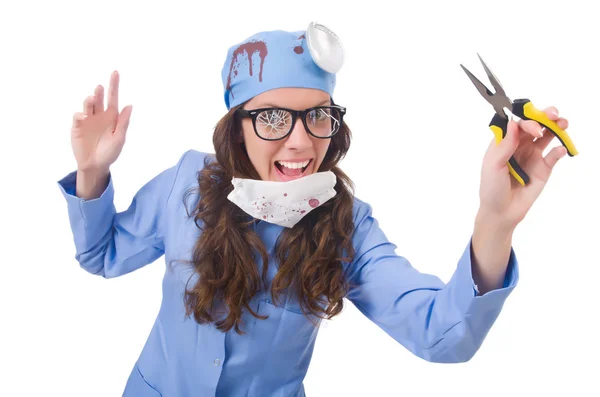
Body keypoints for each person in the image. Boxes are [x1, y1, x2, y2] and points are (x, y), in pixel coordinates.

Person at [57, 23, 570, 397]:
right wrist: (92, 172)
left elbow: (444, 334)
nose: (301, 142)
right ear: (236, 126)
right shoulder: (185, 186)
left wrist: (496, 219)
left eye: (318, 116)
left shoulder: (349, 228)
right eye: (275, 117)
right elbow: (100, 255)